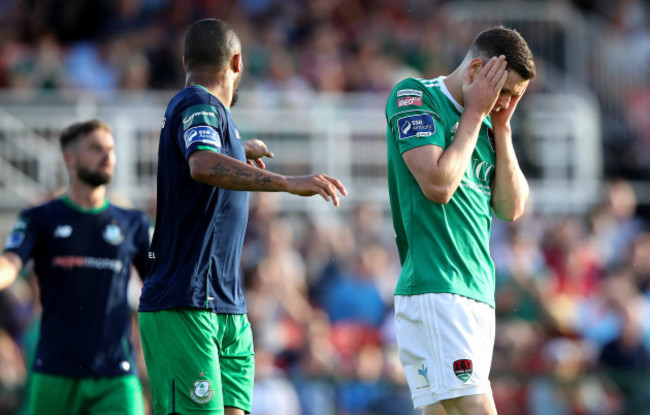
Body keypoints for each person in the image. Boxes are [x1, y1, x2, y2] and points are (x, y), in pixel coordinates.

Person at [138, 18, 347, 415]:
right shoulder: (196, 102)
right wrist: (285, 182)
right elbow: (201, 164)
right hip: (186, 302)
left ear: (185, 60)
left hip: (227, 306)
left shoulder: (214, 118)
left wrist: (237, 149)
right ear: (237, 62)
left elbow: (207, 156)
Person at [385, 26, 536, 415]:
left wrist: (501, 129)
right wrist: (475, 112)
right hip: (438, 288)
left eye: (515, 98)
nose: (504, 104)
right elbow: (438, 185)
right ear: (476, 71)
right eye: (505, 93)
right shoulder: (416, 96)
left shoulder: (488, 123)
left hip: (476, 294)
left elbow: (512, 208)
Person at [0, 119, 151, 414]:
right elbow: (11, 261)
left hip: (116, 374)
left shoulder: (133, 223)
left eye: (110, 149)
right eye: (95, 148)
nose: (107, 156)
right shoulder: (40, 218)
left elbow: (157, 284)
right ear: (69, 158)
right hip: (54, 371)